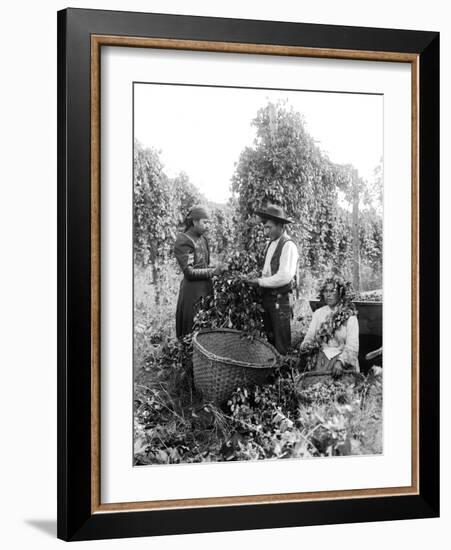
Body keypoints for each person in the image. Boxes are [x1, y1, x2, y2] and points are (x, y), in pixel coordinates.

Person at [243, 204, 299, 355]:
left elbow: (284, 277)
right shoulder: (271, 244)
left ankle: (285, 374)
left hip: (280, 301)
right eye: (265, 227)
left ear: (280, 226)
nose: (266, 231)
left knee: (282, 343)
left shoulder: (288, 246)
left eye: (269, 227)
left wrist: (259, 282)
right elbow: (268, 272)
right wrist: (257, 277)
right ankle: (273, 374)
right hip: (268, 298)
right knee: (271, 340)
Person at [174, 205, 225, 338]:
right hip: (192, 293)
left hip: (206, 289)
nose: (208, 226)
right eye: (205, 222)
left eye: (209, 223)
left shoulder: (203, 239)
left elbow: (204, 264)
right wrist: (213, 272)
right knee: (192, 330)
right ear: (194, 222)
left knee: (205, 329)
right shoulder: (184, 240)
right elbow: (189, 272)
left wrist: (220, 268)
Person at [300, 276, 360, 376]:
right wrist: (306, 344)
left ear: (340, 293)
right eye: (326, 291)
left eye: (332, 291)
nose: (328, 295)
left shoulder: (350, 316)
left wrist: (341, 362)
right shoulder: (318, 313)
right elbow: (310, 336)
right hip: (321, 361)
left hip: (342, 364)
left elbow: (352, 346)